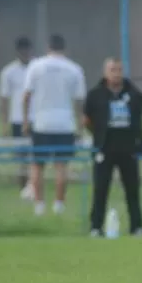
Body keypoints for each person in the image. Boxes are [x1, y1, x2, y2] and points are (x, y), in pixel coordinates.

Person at [22, 34, 87, 216]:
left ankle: (39, 205)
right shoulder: (74, 69)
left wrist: (26, 121)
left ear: (48, 47)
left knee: (37, 165)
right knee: (61, 166)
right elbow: (79, 101)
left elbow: (26, 96)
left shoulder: (36, 66)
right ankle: (59, 204)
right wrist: (80, 128)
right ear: (64, 49)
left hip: (42, 122)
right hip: (65, 123)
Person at [83, 57, 142, 237]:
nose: (116, 74)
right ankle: (96, 227)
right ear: (105, 72)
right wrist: (97, 134)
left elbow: (139, 119)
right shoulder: (95, 94)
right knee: (101, 189)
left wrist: (139, 143)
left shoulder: (133, 94)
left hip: (128, 148)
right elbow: (87, 120)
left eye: (119, 70)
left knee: (132, 190)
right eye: (112, 70)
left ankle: (137, 226)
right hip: (105, 147)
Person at [0, 36, 34, 199]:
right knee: (20, 155)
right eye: (22, 51)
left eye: (27, 50)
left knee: (35, 154)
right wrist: (4, 124)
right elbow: (4, 99)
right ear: (17, 52)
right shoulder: (8, 72)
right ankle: (23, 186)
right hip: (17, 119)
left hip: (36, 118)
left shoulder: (37, 68)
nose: (25, 53)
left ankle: (33, 185)